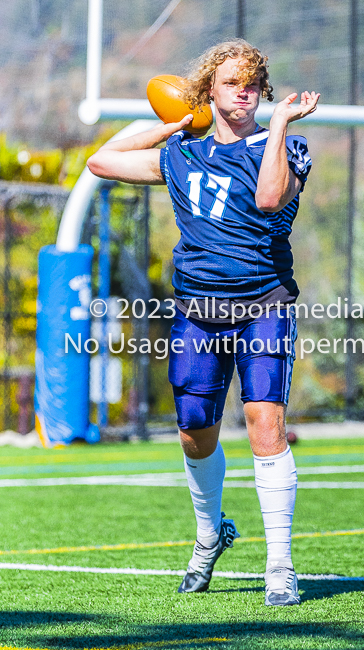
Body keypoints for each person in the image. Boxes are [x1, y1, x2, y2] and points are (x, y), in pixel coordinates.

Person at [87, 39, 319, 607]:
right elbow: (102, 161)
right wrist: (171, 125)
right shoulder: (182, 153)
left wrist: (283, 120)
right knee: (194, 434)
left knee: (266, 424)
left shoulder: (288, 144)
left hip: (264, 303)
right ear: (209, 91)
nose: (245, 91)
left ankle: (280, 566)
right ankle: (211, 535)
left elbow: (268, 199)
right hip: (197, 309)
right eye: (231, 82)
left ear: (263, 92)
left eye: (253, 84)